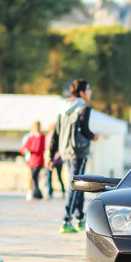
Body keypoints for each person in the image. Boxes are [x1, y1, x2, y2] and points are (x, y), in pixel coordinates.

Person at [49, 79, 96, 233]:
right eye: (88, 89)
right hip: (79, 150)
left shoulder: (63, 107)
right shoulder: (83, 107)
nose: (90, 92)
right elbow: (84, 129)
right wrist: (93, 136)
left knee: (77, 183)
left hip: (65, 151)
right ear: (81, 92)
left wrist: (51, 155)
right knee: (76, 184)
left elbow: (56, 133)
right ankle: (66, 219)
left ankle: (79, 218)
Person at [21, 121, 46, 200]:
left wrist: (30, 149)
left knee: (35, 176)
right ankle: (36, 192)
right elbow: (23, 148)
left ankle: (37, 192)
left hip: (39, 160)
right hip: (31, 161)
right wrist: (25, 150)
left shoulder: (42, 137)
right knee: (33, 177)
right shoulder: (30, 138)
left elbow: (39, 149)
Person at [45, 122, 65, 199]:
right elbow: (47, 149)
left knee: (59, 177)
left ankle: (63, 190)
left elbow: (60, 150)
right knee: (49, 177)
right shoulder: (48, 137)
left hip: (58, 160)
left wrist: (55, 158)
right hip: (49, 160)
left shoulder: (60, 138)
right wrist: (48, 159)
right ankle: (50, 192)